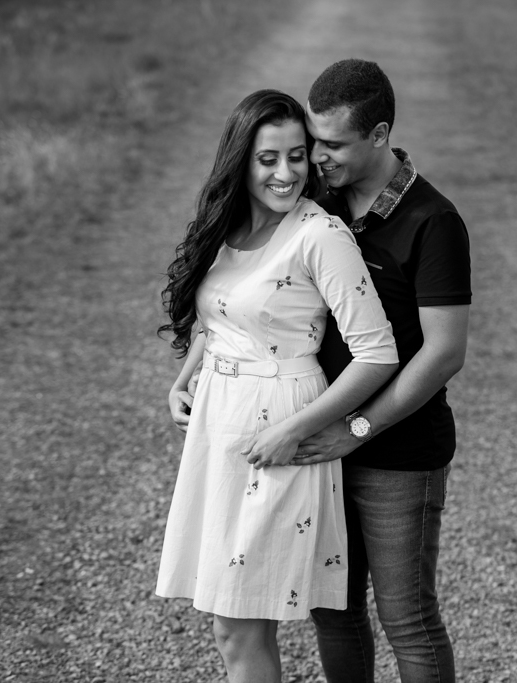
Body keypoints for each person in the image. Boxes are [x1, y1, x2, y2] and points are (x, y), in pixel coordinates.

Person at [154, 89, 399, 683]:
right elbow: (224, 319)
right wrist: (184, 381)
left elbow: (378, 353)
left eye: (297, 155)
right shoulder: (228, 226)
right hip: (219, 427)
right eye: (269, 159)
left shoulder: (320, 236)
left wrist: (296, 430)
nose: (286, 173)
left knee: (238, 625)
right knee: (228, 623)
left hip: (280, 429)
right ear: (240, 159)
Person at [293, 59, 471, 683]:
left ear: (379, 134)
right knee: (332, 609)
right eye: (315, 138)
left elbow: (444, 351)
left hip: (400, 454)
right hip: (323, 442)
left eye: (334, 142)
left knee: (408, 620)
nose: (318, 155)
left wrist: (360, 427)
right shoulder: (318, 205)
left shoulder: (434, 220)